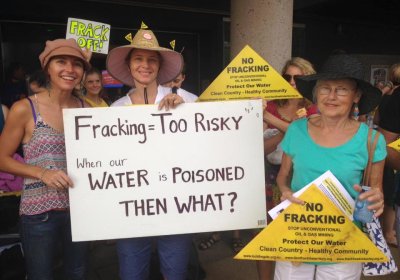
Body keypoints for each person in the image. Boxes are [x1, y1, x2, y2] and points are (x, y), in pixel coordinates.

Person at [275, 54, 386, 280]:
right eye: (325, 88)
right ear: (316, 93)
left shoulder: (372, 140)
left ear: (356, 96)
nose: (332, 96)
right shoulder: (296, 130)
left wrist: (377, 200)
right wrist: (285, 191)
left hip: (343, 244)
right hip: (296, 237)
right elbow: (282, 177)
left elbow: (376, 192)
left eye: (342, 89)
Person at [106, 24, 197, 280]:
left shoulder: (187, 100)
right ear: (129, 64)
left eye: (151, 60)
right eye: (138, 59)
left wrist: (187, 114)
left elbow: (207, 147)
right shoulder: (116, 109)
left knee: (176, 272)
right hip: (132, 203)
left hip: (176, 202)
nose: (145, 65)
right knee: (131, 272)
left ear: (158, 66)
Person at [0, 38, 91, 280]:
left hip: (80, 211)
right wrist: (42, 173)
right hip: (38, 214)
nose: (70, 70)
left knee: (78, 272)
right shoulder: (25, 108)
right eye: (61, 62)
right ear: (47, 68)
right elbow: (2, 158)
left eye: (77, 64)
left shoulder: (86, 109)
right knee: (41, 275)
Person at [257, 57, 317, 280]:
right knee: (264, 235)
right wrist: (283, 131)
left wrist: (269, 118)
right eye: (287, 77)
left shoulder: (315, 108)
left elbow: (308, 139)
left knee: (297, 236)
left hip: (303, 178)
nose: (291, 82)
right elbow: (258, 150)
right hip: (270, 176)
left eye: (298, 77)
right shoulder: (271, 104)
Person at [377, 63, 400, 250]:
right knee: (389, 195)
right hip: (393, 156)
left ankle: (387, 233)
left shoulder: (387, 96)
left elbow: (376, 120)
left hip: (383, 151)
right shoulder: (396, 98)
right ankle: (389, 233)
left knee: (386, 195)